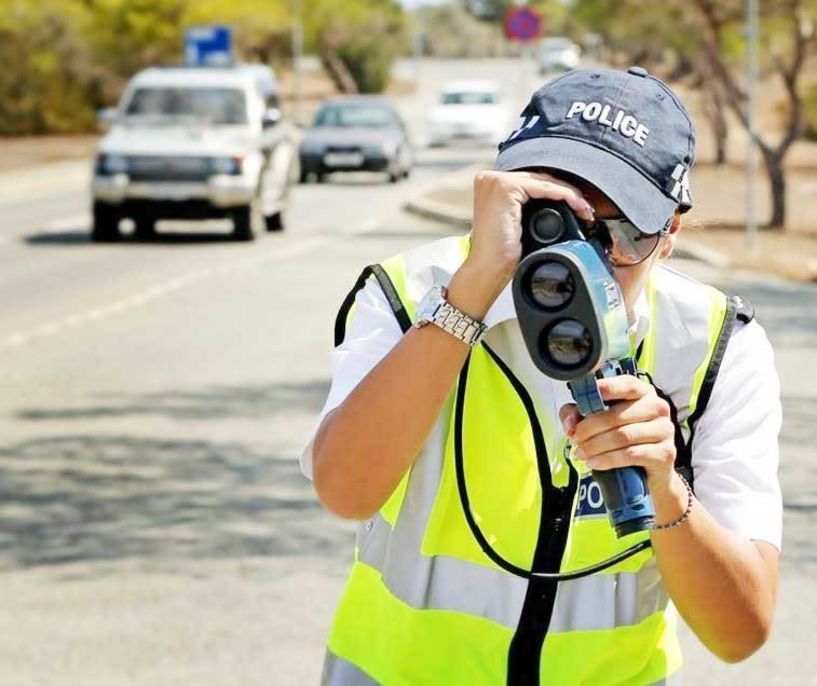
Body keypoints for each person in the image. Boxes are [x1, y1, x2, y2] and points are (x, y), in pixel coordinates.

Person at [302, 67, 782, 685]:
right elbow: (345, 490)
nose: (582, 261)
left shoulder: (713, 346)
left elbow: (740, 631)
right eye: (549, 219)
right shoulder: (409, 294)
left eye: (620, 234)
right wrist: (467, 298)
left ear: (668, 237)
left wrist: (665, 489)